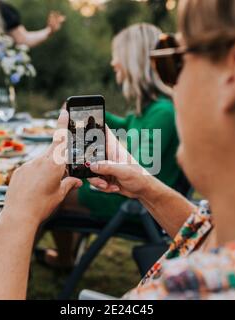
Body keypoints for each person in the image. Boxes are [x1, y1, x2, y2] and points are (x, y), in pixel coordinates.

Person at [0, 0, 235, 300]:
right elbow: (209, 233)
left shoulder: (189, 290)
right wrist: (145, 186)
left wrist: (16, 220)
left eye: (175, 61)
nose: (172, 88)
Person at [37, 23, 182, 269]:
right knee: (61, 182)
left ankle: (41, 257)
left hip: (135, 203)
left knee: (50, 191)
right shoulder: (151, 109)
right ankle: (63, 257)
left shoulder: (162, 113)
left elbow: (142, 171)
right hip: (131, 193)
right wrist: (91, 115)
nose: (114, 63)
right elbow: (128, 124)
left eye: (118, 56)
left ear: (133, 60)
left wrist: (99, 163)